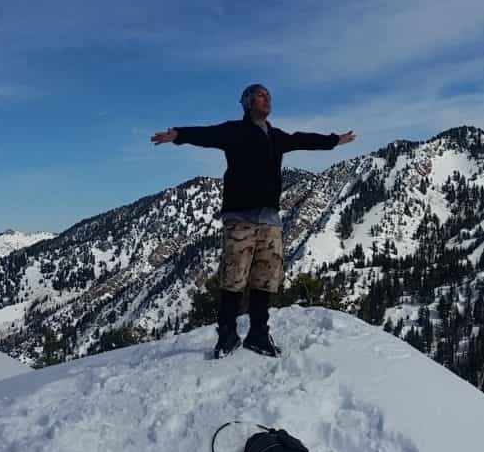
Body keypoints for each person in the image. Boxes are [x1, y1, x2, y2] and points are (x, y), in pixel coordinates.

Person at [151, 84, 356, 357]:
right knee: (234, 276)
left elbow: (302, 139)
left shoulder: (275, 136)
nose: (267, 99)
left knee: (265, 277)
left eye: (268, 96)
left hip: (269, 218)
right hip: (240, 216)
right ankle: (227, 334)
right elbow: (206, 134)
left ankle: (258, 333)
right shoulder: (234, 131)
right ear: (248, 103)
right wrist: (178, 135)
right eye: (261, 96)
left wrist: (333, 141)